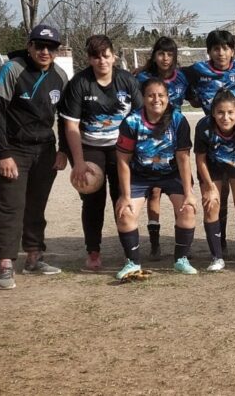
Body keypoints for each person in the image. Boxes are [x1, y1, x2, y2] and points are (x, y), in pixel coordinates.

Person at [0, 24, 68, 290]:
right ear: (29, 46)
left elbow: (65, 118)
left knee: (36, 206)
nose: (45, 51)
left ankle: (34, 257)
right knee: (10, 207)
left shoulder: (60, 76)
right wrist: (3, 153)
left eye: (51, 47)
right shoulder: (12, 69)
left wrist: (63, 150)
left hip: (45, 151)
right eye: (39, 46)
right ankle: (5, 264)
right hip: (14, 150)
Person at [60, 35, 143, 270]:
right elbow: (71, 125)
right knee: (92, 201)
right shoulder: (79, 83)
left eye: (106, 56)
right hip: (90, 147)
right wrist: (78, 162)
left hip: (121, 149)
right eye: (96, 57)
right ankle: (93, 251)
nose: (102, 61)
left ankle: (129, 252)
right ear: (89, 59)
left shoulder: (127, 81)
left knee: (123, 197)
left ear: (113, 56)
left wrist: (138, 153)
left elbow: (140, 119)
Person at [186, 30, 235, 259]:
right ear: (209, 51)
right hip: (213, 141)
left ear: (233, 51)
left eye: (225, 48)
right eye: (216, 48)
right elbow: (168, 70)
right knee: (216, 199)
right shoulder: (198, 70)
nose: (221, 53)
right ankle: (220, 245)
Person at [114, 78, 198, 279]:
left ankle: (181, 260)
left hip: (172, 174)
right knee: (125, 212)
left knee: (188, 208)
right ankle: (132, 263)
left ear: (168, 98)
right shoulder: (131, 121)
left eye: (161, 95)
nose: (156, 99)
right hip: (140, 175)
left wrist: (189, 193)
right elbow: (123, 160)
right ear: (143, 98)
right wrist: (125, 195)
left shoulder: (178, 120)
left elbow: (183, 158)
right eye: (151, 95)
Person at [135, 36, 191, 260]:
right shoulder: (142, 78)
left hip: (175, 137)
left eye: (169, 54)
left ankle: (182, 245)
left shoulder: (183, 76)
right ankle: (155, 243)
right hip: (149, 138)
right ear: (154, 55)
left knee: (180, 190)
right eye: (161, 53)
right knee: (154, 192)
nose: (165, 58)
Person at [194, 89, 235, 273]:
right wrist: (210, 187)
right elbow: (200, 159)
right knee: (211, 204)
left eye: (230, 112)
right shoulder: (204, 126)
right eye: (220, 112)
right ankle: (217, 256)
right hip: (212, 166)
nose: (225, 117)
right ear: (213, 113)